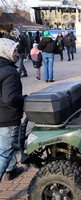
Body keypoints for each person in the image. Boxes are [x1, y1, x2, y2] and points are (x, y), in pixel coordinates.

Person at [0, 38, 27, 182]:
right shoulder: (10, 72)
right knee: (4, 155)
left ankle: (11, 170)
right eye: (14, 50)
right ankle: (8, 168)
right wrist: (25, 99)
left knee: (4, 149)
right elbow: (10, 98)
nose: (17, 53)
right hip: (7, 119)